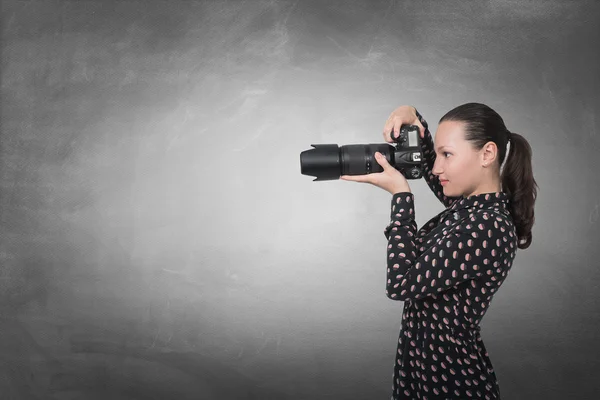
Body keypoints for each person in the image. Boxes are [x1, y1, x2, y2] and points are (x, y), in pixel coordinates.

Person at [341, 103, 538, 399]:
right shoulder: (469, 209)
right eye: (440, 154)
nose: (435, 168)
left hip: (451, 384)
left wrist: (401, 196)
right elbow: (429, 165)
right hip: (422, 376)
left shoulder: (487, 226)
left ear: (487, 154)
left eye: (448, 155)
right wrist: (412, 117)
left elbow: (401, 283)